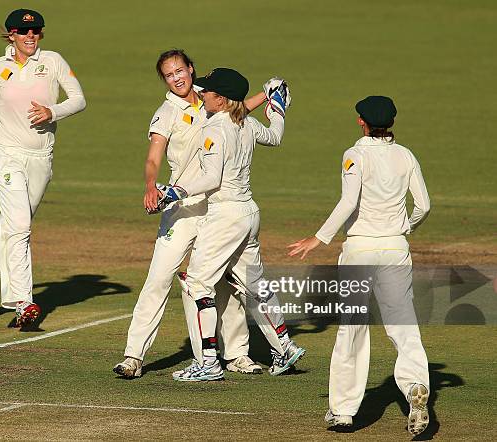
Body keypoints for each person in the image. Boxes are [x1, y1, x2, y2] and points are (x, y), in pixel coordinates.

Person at [113, 50, 272, 378]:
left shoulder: (209, 97)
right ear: (165, 80)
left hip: (218, 207)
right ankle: (134, 356)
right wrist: (150, 185)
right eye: (169, 75)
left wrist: (267, 95)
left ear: (190, 69)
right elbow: (153, 157)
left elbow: (239, 108)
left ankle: (237, 354)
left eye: (180, 71)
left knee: (225, 283)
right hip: (182, 208)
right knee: (159, 277)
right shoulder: (167, 112)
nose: (176, 78)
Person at [287, 96, 431, 436]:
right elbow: (424, 205)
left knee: (352, 327)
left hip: (360, 251)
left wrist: (318, 238)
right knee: (403, 325)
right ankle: (414, 387)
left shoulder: (355, 155)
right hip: (396, 249)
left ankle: (342, 411)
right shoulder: (406, 155)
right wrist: (404, 227)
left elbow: (348, 201)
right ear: (391, 123)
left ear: (361, 122)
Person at [157, 67, 306, 382]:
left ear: (221, 99)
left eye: (207, 92)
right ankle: (285, 347)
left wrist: (175, 192)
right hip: (249, 213)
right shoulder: (247, 123)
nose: (201, 94)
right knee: (255, 284)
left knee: (197, 283)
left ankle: (208, 362)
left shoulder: (215, 129)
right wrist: (278, 107)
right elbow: (276, 136)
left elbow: (212, 178)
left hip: (225, 216)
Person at [0, 9, 86, 327]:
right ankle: (23, 303)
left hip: (41, 157)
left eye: (36, 31)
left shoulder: (53, 61)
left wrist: (52, 111)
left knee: (14, 220)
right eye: (23, 31)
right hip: (6, 152)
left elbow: (79, 99)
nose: (30, 37)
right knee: (19, 226)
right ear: (11, 35)